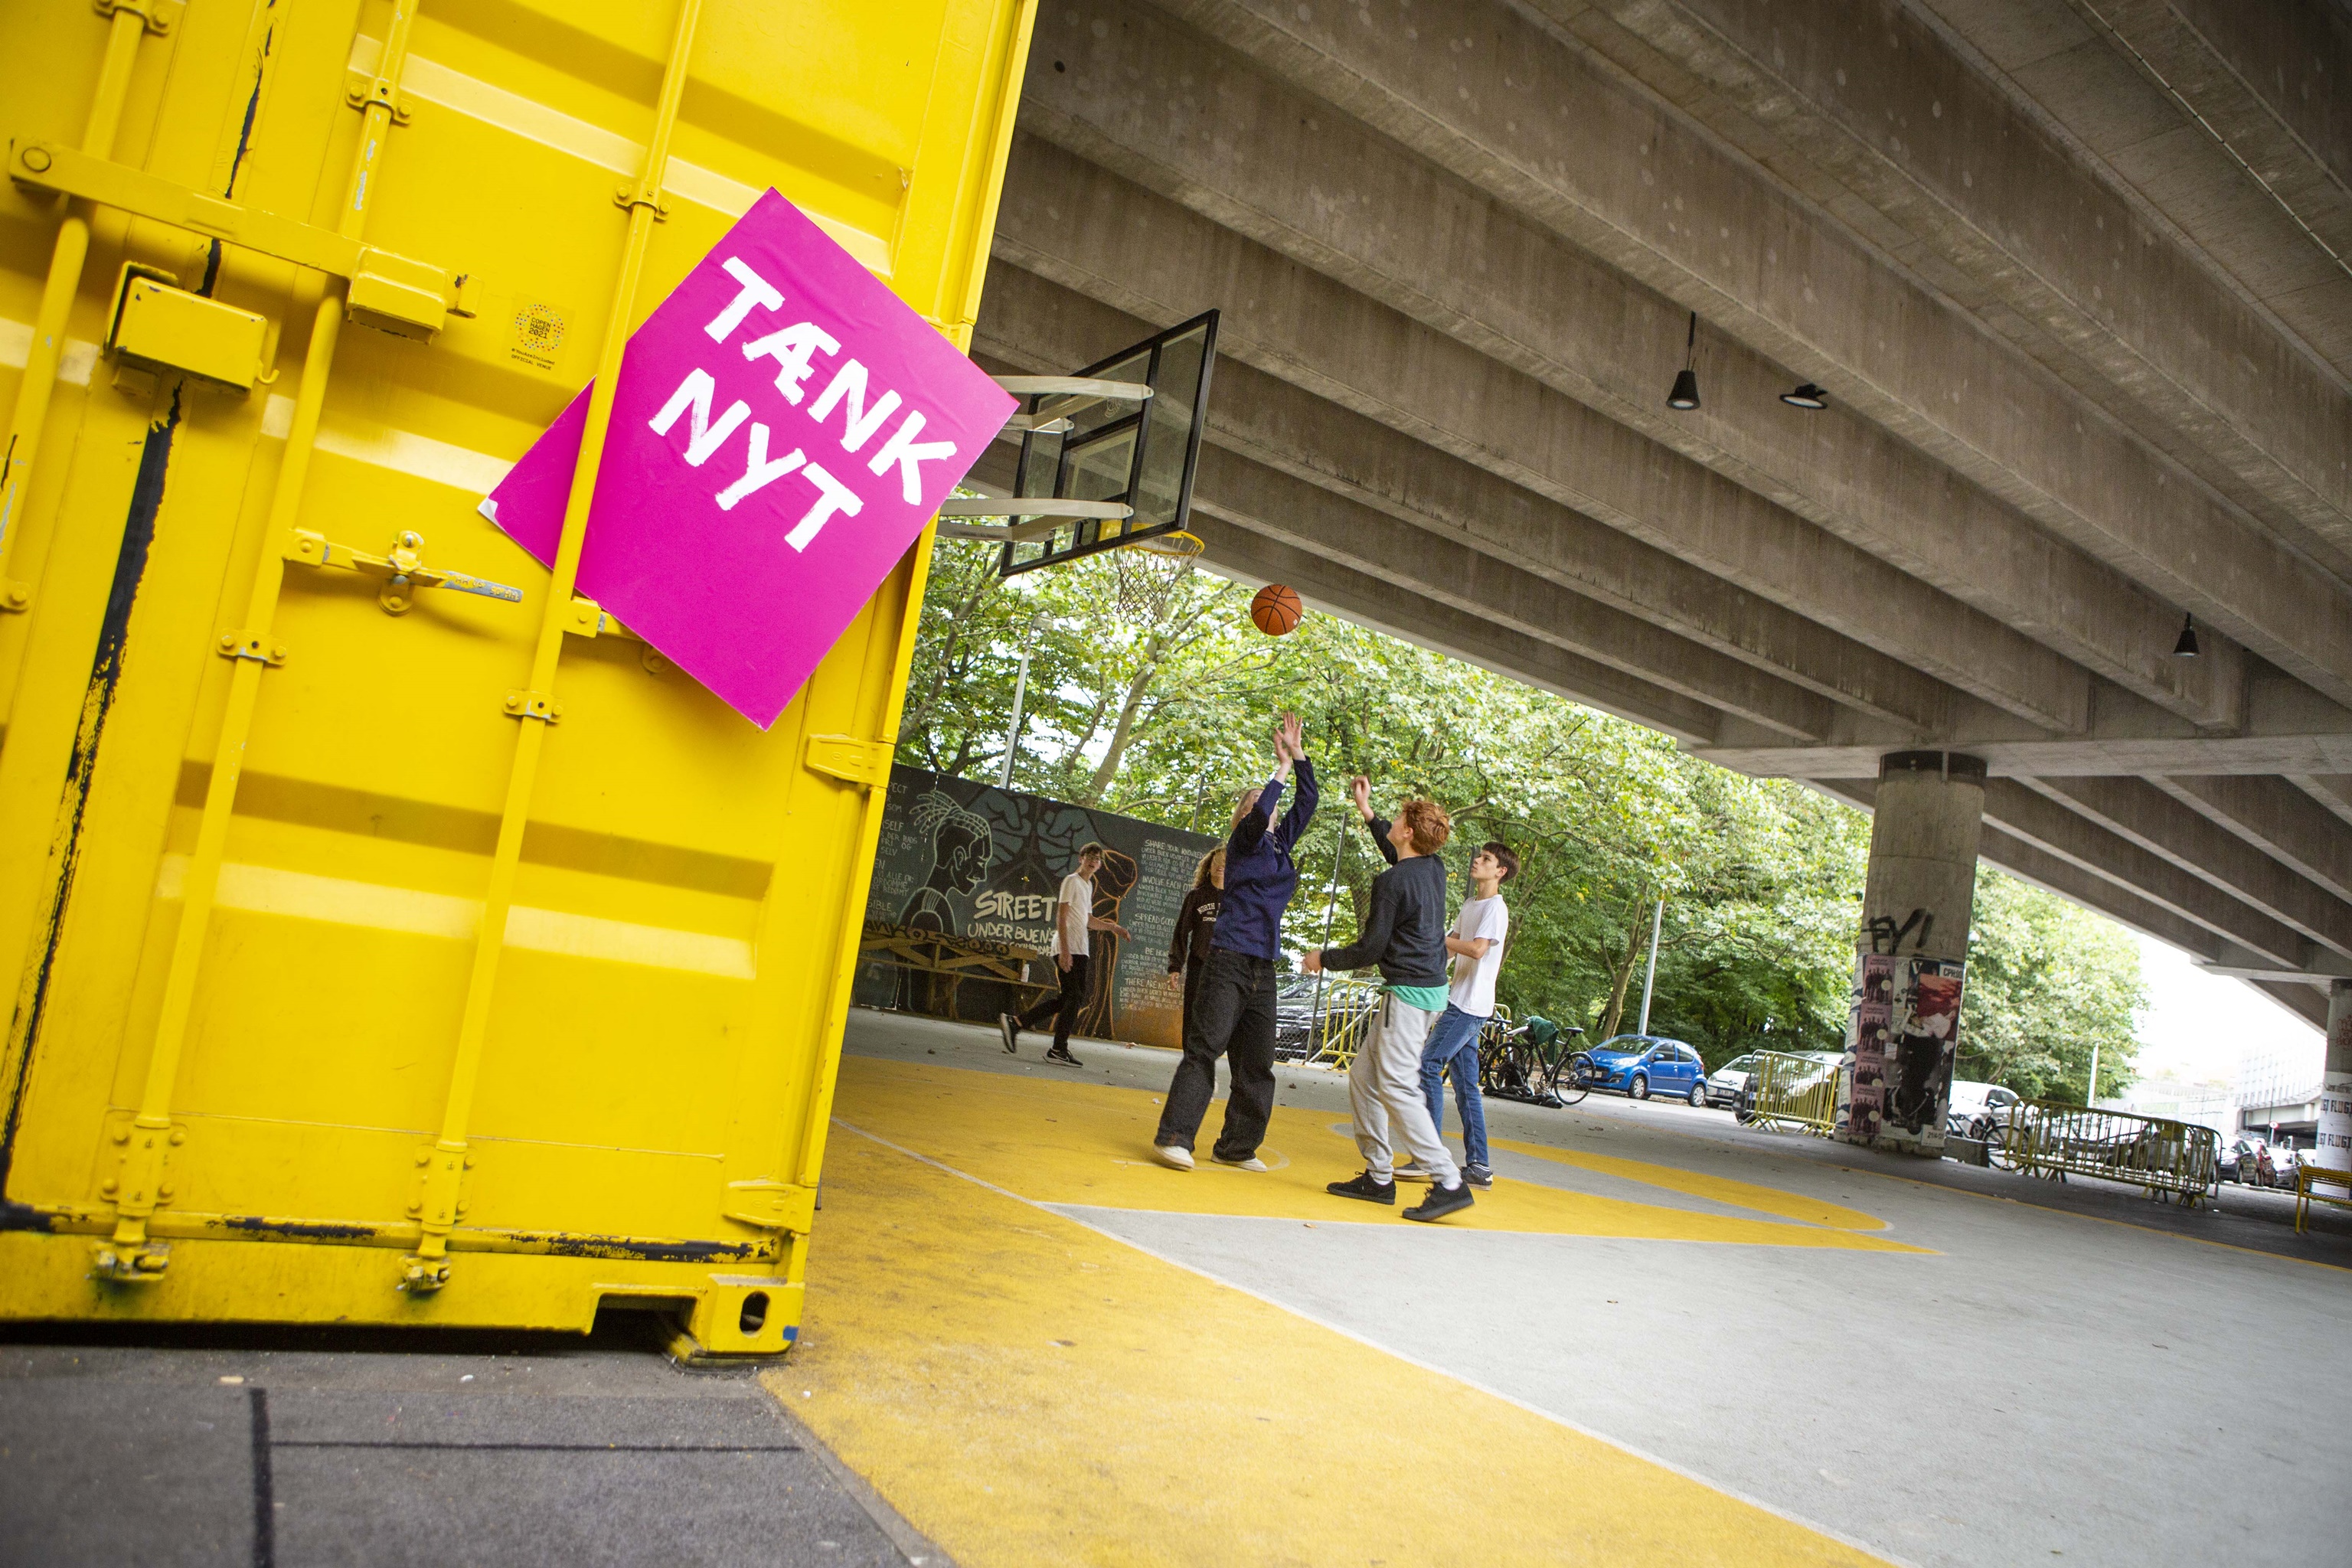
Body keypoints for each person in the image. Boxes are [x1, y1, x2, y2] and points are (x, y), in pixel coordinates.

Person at [1152, 714, 1317, 1172]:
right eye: (1254, 805)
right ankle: (1174, 1137)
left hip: (1264, 965)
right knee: (1205, 1049)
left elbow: (1310, 800)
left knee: (1258, 1062)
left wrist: (1297, 755)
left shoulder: (1279, 846)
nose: (1264, 810)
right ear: (1244, 813)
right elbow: (1262, 811)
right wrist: (1278, 771)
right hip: (1228, 960)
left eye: (1266, 806)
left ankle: (1237, 1146)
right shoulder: (1242, 844)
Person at [1308, 785, 1474, 1222]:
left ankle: (1448, 1181)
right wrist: (1367, 812)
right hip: (1425, 992)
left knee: (1398, 1088)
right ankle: (1379, 1177)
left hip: (1408, 997)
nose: (1394, 824)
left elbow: (1370, 949)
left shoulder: (1393, 881)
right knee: (1364, 1077)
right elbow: (1394, 850)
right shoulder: (1431, 868)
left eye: (1399, 820)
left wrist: (1323, 958)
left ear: (1408, 833)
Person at [1414, 840, 1517, 1191]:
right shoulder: (1471, 904)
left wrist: (1440, 940)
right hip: (1459, 1000)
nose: (1477, 861)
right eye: (1480, 856)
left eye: (1485, 859)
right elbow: (1448, 945)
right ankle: (1480, 1166)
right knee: (1465, 1087)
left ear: (1500, 872)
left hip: (1469, 1005)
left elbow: (1475, 949)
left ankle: (1428, 1154)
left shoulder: (1495, 909)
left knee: (1428, 1063)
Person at [999, 843, 1129, 1067]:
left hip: (1081, 948)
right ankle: (1058, 1048)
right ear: (1081, 858)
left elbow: (1087, 920)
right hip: (1068, 947)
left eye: (1097, 859)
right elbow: (1061, 916)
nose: (1093, 861)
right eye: (1090, 856)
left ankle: (1018, 1023)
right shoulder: (1072, 881)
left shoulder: (1088, 886)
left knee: (1068, 999)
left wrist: (1113, 927)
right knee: (1075, 998)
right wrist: (1065, 951)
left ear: (1099, 865)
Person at [1167, 848, 1225, 1042]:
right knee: (1193, 1014)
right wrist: (1175, 966)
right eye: (1216, 862)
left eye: (1225, 863)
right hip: (1199, 963)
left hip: (1225, 967)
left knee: (1217, 1016)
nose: (1220, 866)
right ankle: (1190, 1060)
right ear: (1208, 867)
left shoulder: (1235, 899)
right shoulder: (1196, 896)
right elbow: (1181, 932)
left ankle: (1206, 1061)